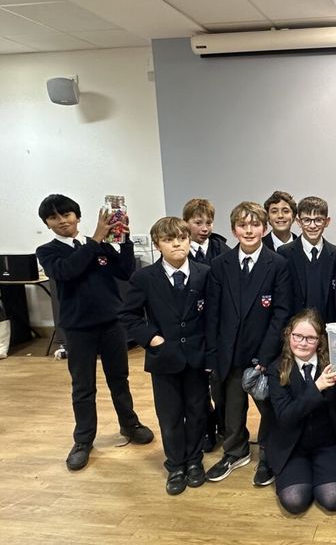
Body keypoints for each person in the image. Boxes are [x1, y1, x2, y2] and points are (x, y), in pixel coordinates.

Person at [36, 194, 154, 472]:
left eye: (66, 214)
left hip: (112, 323)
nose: (62, 221)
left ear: (77, 216)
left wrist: (124, 240)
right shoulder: (48, 251)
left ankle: (130, 424)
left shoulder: (100, 245)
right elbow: (67, 271)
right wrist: (96, 239)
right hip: (78, 328)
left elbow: (125, 271)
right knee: (83, 386)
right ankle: (83, 440)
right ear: (47, 223)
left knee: (119, 379)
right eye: (53, 217)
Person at [120, 217, 210, 495]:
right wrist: (152, 338)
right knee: (169, 415)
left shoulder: (205, 273)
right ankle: (175, 465)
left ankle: (194, 461)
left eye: (182, 238)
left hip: (196, 357)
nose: (177, 244)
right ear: (158, 244)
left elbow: (213, 315)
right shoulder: (144, 278)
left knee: (197, 412)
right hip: (164, 358)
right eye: (169, 240)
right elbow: (128, 315)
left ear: (189, 240)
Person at [205, 201, 292, 486]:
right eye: (242, 225)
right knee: (231, 408)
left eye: (255, 224)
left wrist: (265, 357)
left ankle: (267, 454)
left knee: (269, 408)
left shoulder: (278, 264)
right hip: (229, 353)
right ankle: (235, 451)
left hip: (264, 353)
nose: (249, 230)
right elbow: (213, 313)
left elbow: (281, 314)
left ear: (264, 228)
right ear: (233, 230)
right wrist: (213, 355)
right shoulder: (220, 265)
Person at [267, 309, 336, 514]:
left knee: (333, 498)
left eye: (310, 338)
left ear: (320, 340)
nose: (303, 343)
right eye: (297, 336)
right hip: (292, 445)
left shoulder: (333, 364)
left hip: (329, 441)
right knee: (295, 501)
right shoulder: (277, 368)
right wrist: (317, 387)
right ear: (288, 335)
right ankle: (305, 474)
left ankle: (324, 471)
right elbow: (286, 417)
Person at [183, 197, 229, 453]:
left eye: (208, 222)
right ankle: (206, 428)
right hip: (192, 327)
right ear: (186, 222)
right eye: (198, 222)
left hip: (219, 325)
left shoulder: (222, 248)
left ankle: (224, 425)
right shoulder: (180, 250)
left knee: (220, 383)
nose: (204, 228)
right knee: (196, 386)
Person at [278, 196, 336, 324]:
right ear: (298, 222)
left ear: (327, 222)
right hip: (295, 330)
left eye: (318, 220)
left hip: (328, 328)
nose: (312, 226)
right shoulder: (284, 254)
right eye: (307, 220)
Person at [183, 198, 229, 265]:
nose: (205, 229)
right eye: (198, 223)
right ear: (185, 223)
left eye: (208, 223)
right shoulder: (177, 249)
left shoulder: (223, 250)